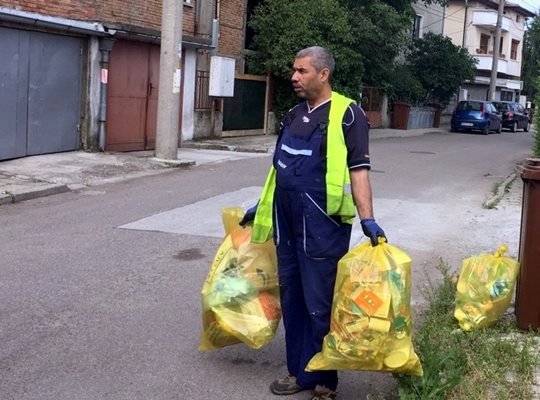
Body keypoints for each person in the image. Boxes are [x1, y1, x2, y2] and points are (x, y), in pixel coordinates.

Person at [241, 46, 386, 400]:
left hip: (323, 223)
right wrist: (261, 205)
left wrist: (368, 218)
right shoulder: (293, 114)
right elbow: (281, 169)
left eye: (302, 71)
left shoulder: (347, 114)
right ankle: (298, 372)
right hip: (287, 220)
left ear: (323, 74)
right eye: (294, 70)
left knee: (319, 302)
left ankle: (324, 379)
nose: (294, 77)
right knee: (291, 296)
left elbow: (359, 170)